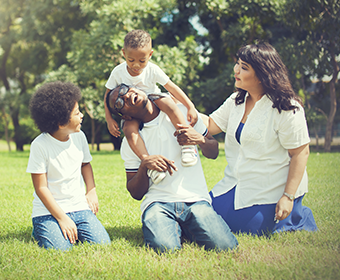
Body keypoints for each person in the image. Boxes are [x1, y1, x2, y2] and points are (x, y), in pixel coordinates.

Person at [106, 83, 239, 253]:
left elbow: (213, 151)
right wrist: (144, 165)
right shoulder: (131, 142)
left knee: (225, 247)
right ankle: (177, 227)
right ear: (125, 116)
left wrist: (199, 139)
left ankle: (183, 226)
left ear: (138, 89)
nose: (124, 96)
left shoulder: (182, 114)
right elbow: (135, 193)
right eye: (119, 102)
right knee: (165, 249)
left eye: (125, 90)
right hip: (158, 204)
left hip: (195, 200)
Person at [205, 42, 318, 236]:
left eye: (244, 67)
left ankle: (298, 215)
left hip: (270, 188)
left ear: (263, 75)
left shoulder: (287, 107)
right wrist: (175, 108)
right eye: (238, 64)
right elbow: (209, 125)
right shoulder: (236, 101)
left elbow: (300, 153)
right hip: (235, 183)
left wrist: (288, 197)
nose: (236, 70)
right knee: (202, 216)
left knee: (247, 228)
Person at [104, 29, 198, 184]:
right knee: (128, 130)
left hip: (152, 100)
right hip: (132, 110)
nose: (136, 65)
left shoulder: (152, 70)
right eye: (130, 59)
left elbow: (172, 88)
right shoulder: (118, 72)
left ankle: (187, 144)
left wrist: (190, 105)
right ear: (123, 53)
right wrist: (108, 119)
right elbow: (107, 96)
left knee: (168, 102)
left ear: (150, 55)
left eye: (142, 61)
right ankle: (148, 163)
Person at [27, 81, 111, 250]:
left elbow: (85, 164)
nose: (82, 116)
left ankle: (68, 227)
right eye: (77, 113)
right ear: (61, 122)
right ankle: (40, 230)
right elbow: (41, 188)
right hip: (48, 212)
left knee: (102, 244)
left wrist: (91, 190)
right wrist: (62, 218)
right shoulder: (40, 145)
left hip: (79, 208)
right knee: (61, 249)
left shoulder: (79, 137)